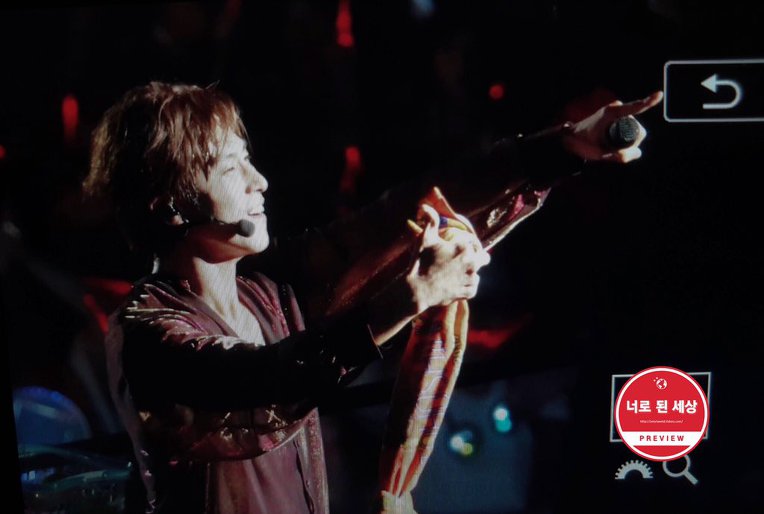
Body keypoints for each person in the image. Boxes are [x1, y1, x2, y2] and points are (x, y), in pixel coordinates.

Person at [83, 81, 661, 514]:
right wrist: (411, 297)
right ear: (171, 207)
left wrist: (561, 149)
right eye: (233, 168)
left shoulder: (268, 286)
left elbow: (396, 217)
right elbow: (267, 382)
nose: (261, 181)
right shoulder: (147, 331)